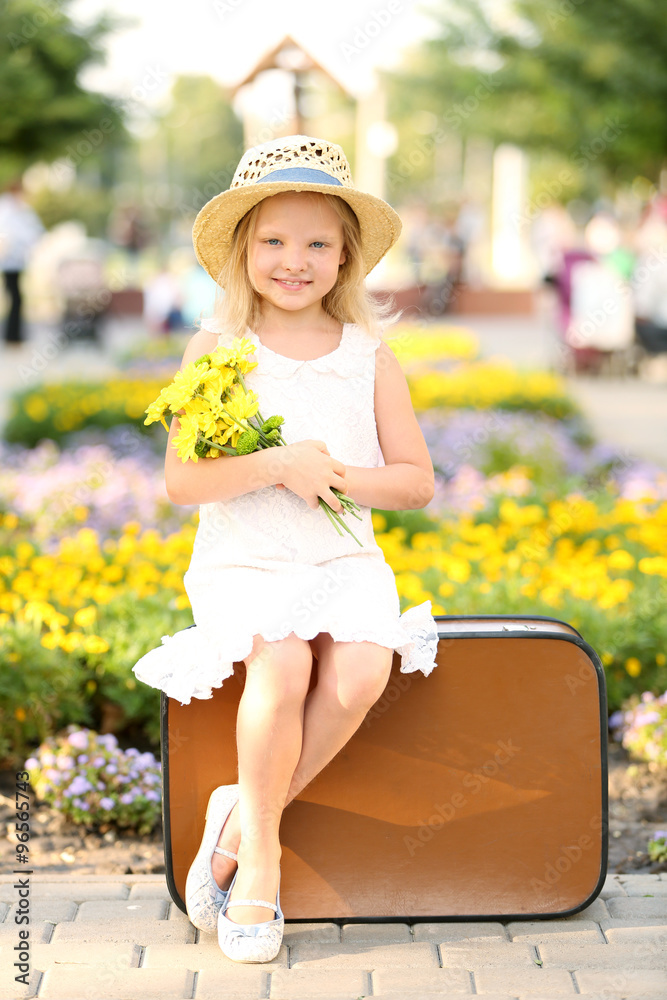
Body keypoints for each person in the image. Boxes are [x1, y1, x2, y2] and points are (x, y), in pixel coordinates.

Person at [131, 135, 440, 964]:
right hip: (249, 559)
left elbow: (415, 482)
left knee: (362, 669)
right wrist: (273, 464)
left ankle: (238, 815)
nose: (292, 260)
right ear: (241, 252)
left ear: (344, 259)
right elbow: (184, 484)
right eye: (272, 240)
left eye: (315, 243)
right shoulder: (218, 354)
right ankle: (260, 861)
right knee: (285, 660)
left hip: (341, 563)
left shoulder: (369, 359)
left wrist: (331, 474)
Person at [0, 177, 44, 345]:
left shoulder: (21, 209)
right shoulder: (7, 207)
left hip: (17, 259)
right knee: (15, 296)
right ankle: (12, 335)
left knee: (16, 296)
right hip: (8, 259)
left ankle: (14, 334)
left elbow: (34, 230)